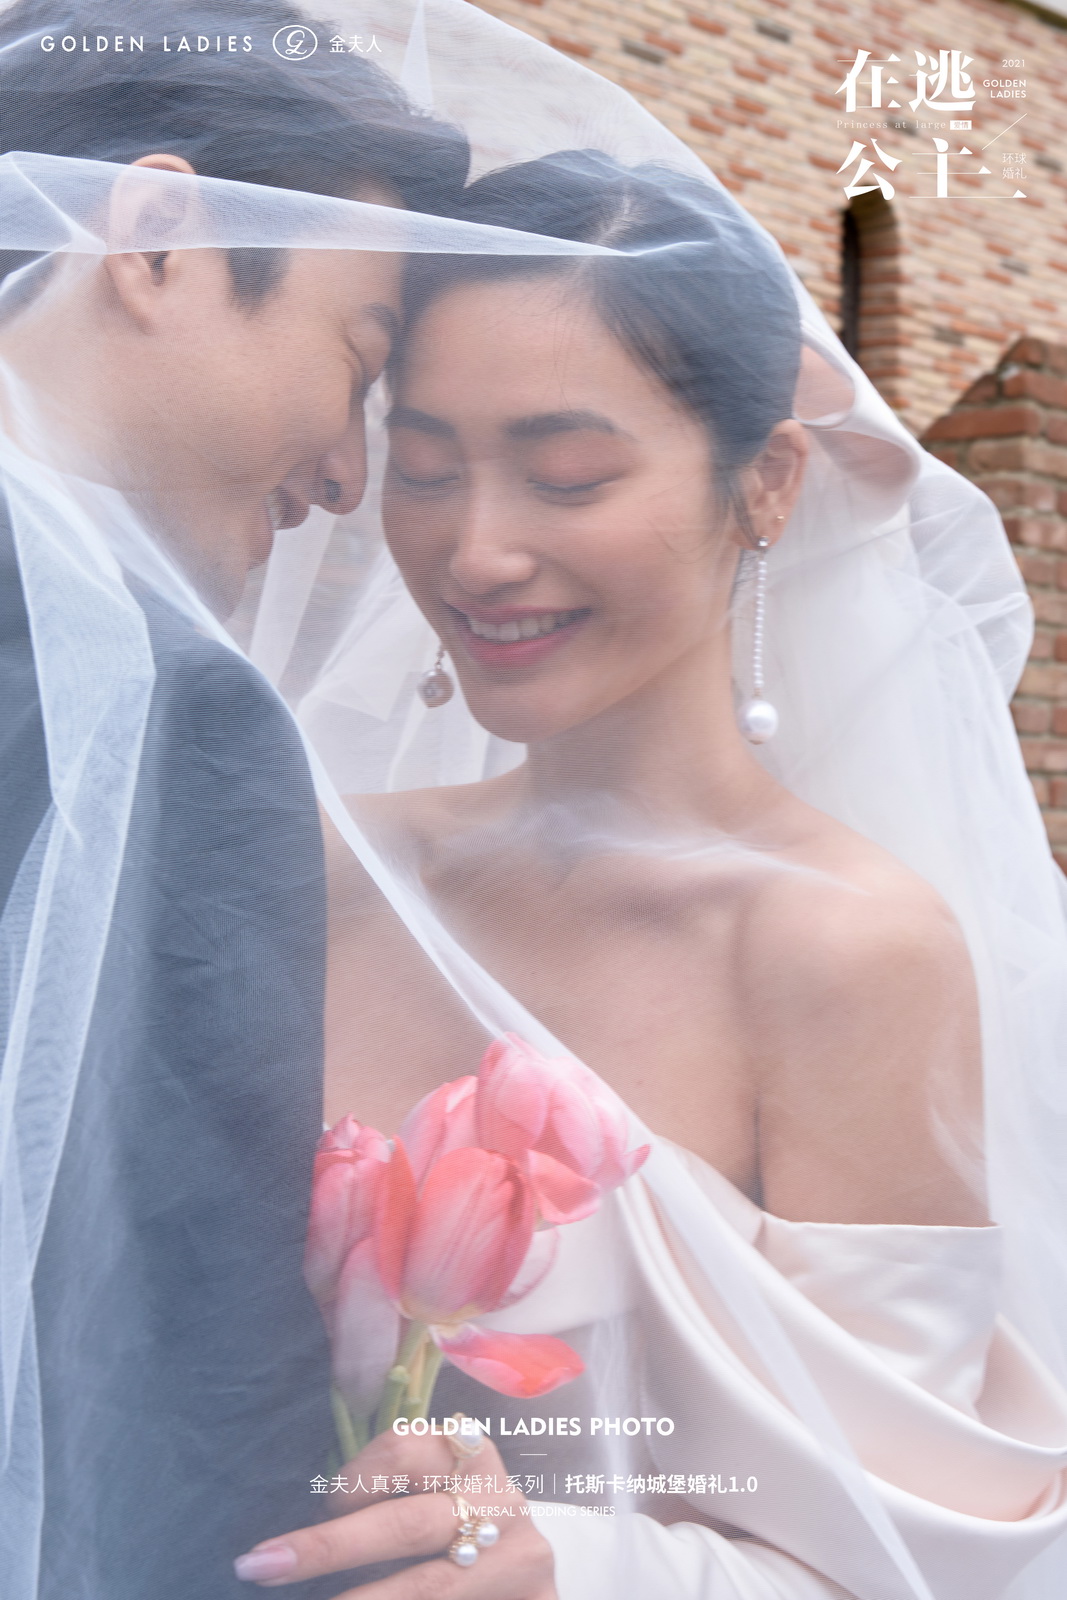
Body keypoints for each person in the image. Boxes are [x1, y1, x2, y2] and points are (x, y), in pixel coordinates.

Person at [236, 151, 1067, 1597]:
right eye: (424, 471)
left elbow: (913, 1560)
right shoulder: (316, 864)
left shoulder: (839, 952)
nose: (477, 551)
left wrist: (566, 1564)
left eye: (568, 476)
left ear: (766, 483)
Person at [0, 3, 468, 1596]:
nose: (343, 476)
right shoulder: (178, 716)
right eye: (357, 361)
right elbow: (193, 1405)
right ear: (155, 239)